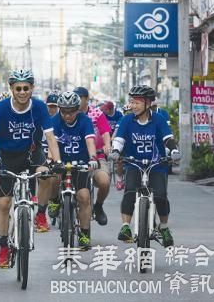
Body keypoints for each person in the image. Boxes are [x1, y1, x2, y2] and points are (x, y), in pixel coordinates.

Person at [0, 69, 61, 268]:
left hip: (32, 152)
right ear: (11, 89)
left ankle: (41, 213)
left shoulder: (39, 107)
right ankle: (3, 247)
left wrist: (57, 161)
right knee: (4, 203)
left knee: (46, 175)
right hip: (8, 157)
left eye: (26, 88)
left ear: (32, 88)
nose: (22, 92)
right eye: (18, 88)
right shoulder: (1, 108)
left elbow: (50, 137)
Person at [110, 85, 180, 247]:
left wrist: (174, 150)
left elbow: (167, 139)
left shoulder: (158, 119)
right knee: (130, 191)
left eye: (137, 103)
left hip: (157, 164)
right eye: (132, 102)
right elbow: (120, 139)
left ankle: (164, 227)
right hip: (134, 163)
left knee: (161, 196)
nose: (133, 106)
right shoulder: (127, 120)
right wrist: (115, 151)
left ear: (148, 104)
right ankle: (126, 226)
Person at [52, 91, 99, 250]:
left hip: (80, 164)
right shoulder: (54, 121)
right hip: (61, 163)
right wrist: (52, 160)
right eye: (63, 111)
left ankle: (84, 234)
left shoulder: (85, 121)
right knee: (51, 177)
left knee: (84, 196)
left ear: (78, 109)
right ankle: (54, 200)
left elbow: (90, 141)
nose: (67, 115)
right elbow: (50, 145)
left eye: (71, 111)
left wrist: (93, 158)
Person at [73, 86, 111, 226]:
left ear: (87, 99)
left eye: (80, 97)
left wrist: (107, 145)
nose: (76, 100)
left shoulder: (97, 113)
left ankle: (99, 206)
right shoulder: (68, 112)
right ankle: (60, 201)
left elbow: (105, 131)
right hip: (74, 156)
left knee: (104, 181)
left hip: (96, 156)